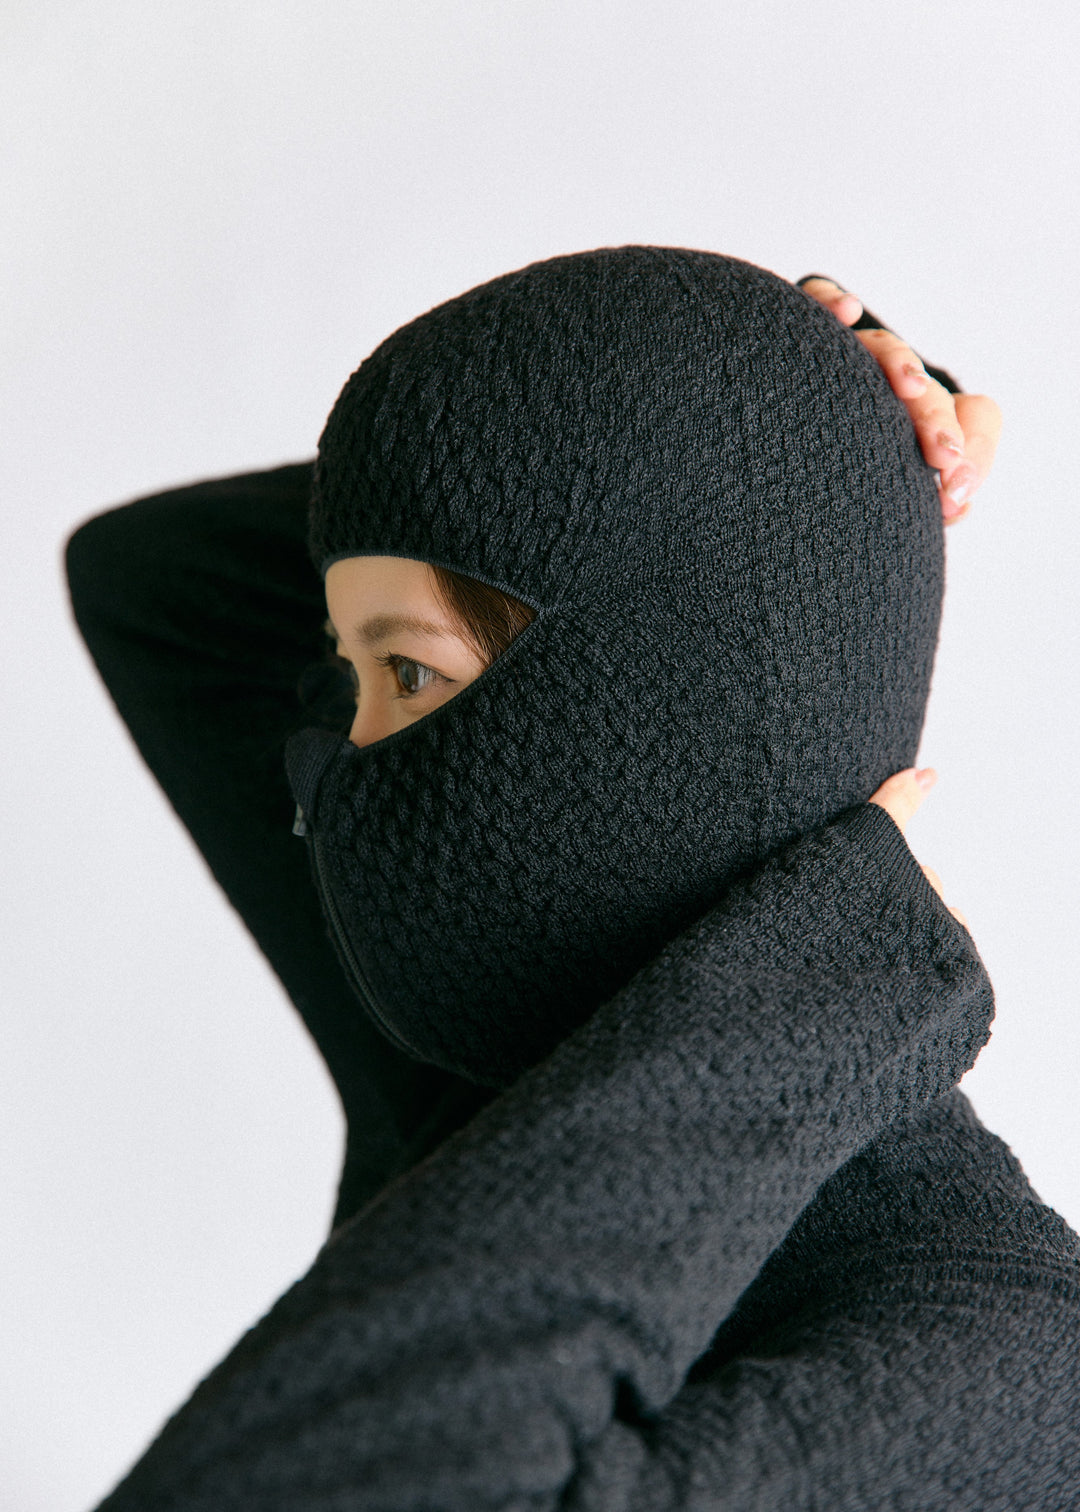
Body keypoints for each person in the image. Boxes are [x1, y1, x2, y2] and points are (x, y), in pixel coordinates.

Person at [64, 249, 1076, 1510]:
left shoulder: (995, 1348)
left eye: (408, 676)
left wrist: (777, 455)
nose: (346, 762)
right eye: (355, 675)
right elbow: (158, 583)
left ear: (674, 687)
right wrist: (778, 435)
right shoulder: (489, 1051)